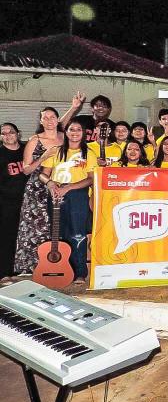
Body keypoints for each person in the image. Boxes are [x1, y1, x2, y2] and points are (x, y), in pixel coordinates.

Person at [39, 119, 98, 284]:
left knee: (77, 233)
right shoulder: (55, 151)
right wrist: (50, 183)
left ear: (83, 133)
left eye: (78, 129)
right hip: (56, 194)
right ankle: (63, 269)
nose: (75, 132)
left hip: (78, 195)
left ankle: (80, 272)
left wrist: (70, 187)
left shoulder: (89, 153)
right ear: (66, 132)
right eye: (72, 129)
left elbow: (91, 179)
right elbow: (43, 174)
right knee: (59, 233)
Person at [14, 107, 65, 275]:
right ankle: (31, 268)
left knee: (57, 228)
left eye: (52, 117)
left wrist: (74, 107)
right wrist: (43, 157)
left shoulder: (65, 137)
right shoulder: (35, 140)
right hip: (37, 189)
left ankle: (56, 266)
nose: (49, 120)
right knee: (35, 228)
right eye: (45, 117)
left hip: (61, 187)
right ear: (41, 121)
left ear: (58, 119)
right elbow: (26, 170)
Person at [0, 123, 27, 280]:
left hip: (29, 202)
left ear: (18, 133)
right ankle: (5, 272)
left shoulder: (26, 150)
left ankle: (22, 268)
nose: (7, 135)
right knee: (7, 237)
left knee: (25, 236)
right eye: (3, 133)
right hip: (7, 203)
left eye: (11, 132)